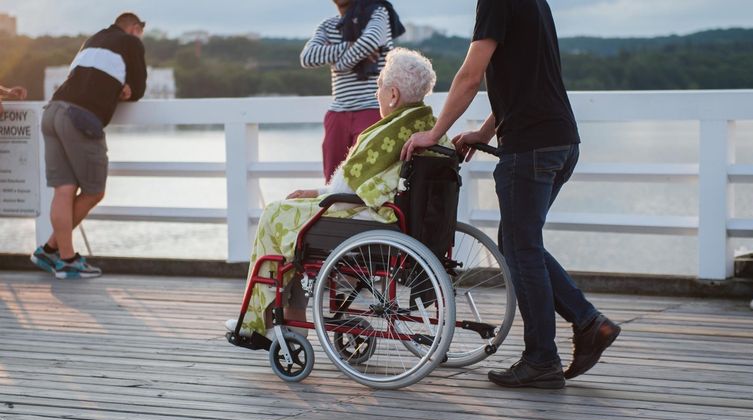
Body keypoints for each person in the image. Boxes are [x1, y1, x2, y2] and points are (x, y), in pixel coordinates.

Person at [401, 0, 621, 388]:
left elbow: (471, 75)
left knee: (521, 247)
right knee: (520, 244)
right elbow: (521, 81)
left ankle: (542, 358)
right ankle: (589, 324)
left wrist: (434, 133)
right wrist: (485, 133)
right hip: (561, 141)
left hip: (530, 146)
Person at [227, 48, 447, 345]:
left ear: (393, 95)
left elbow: (345, 189)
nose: (377, 93)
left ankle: (262, 320)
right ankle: (289, 319)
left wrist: (319, 194)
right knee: (293, 216)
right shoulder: (428, 126)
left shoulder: (387, 132)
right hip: (401, 221)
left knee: (276, 214)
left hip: (371, 220)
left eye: (380, 85)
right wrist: (317, 193)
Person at [31, 12, 147, 279]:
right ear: (134, 28)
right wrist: (126, 89)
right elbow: (138, 90)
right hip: (79, 117)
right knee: (94, 191)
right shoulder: (131, 42)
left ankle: (55, 254)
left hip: (52, 111)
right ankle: (61, 256)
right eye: (141, 32)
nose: (140, 38)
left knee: (64, 190)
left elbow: (84, 78)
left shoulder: (92, 40)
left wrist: (117, 86)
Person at [301, 0, 405, 182]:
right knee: (333, 179)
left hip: (373, 109)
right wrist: (350, 46)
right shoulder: (328, 25)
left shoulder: (378, 12)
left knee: (368, 177)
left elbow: (370, 41)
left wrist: (340, 64)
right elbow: (308, 57)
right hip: (338, 113)